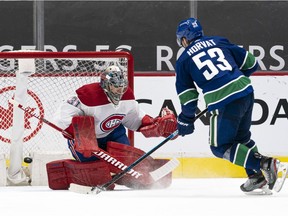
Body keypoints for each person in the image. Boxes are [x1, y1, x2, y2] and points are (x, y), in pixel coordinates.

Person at [174, 17, 284, 194]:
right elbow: (252, 63)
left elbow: (188, 97)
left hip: (223, 100)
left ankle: (264, 164)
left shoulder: (183, 60)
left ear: (184, 39)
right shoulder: (219, 41)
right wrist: (234, 76)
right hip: (246, 91)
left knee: (220, 147)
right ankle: (257, 177)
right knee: (242, 139)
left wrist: (186, 120)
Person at [46, 64, 177, 190]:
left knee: (128, 160)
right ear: (105, 85)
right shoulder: (87, 97)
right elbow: (61, 119)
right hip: (86, 140)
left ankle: (132, 175)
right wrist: (83, 134)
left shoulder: (127, 98)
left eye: (122, 87)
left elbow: (136, 119)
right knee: (94, 170)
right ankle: (77, 175)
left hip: (114, 134)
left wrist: (156, 127)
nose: (120, 92)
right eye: (115, 87)